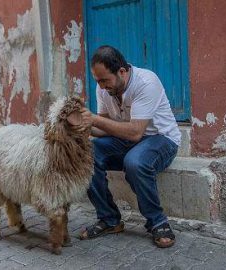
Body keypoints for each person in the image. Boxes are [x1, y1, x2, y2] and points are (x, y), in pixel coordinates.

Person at [76, 45, 181, 248]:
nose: (101, 85)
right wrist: (83, 128)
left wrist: (94, 119)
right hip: (126, 139)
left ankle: (157, 222)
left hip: (160, 139)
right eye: (97, 81)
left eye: (105, 80)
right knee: (86, 153)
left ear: (122, 71)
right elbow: (106, 127)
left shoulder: (146, 82)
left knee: (134, 161)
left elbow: (135, 132)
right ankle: (109, 220)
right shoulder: (103, 88)